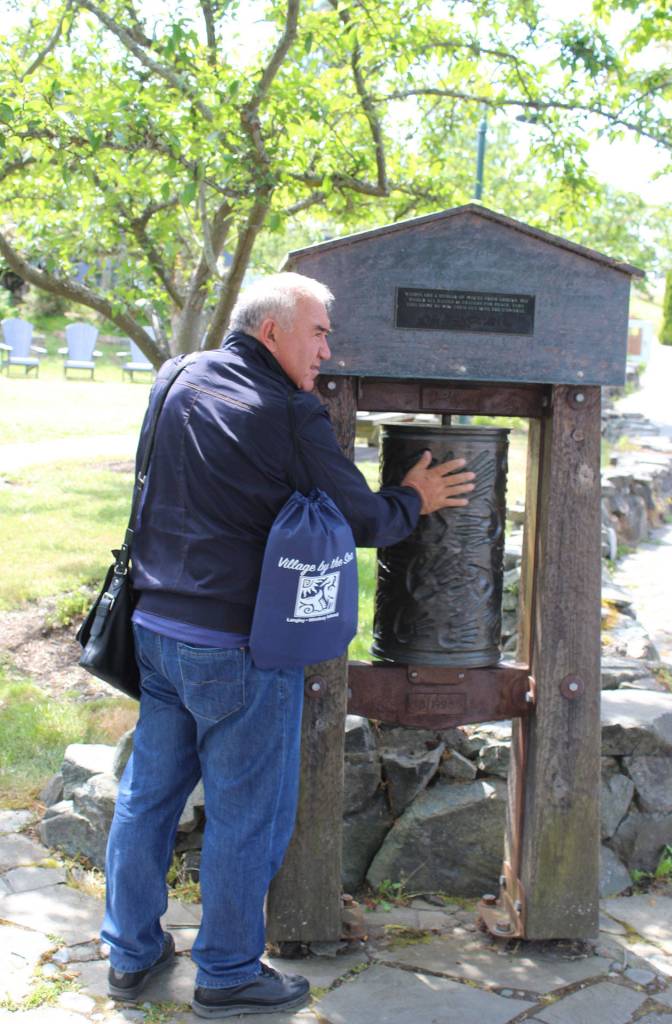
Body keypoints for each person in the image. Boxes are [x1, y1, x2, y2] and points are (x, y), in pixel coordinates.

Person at [101, 272, 475, 1019]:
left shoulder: (177, 377)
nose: (327, 351)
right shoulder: (288, 413)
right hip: (239, 647)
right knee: (248, 813)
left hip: (155, 632)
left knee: (146, 801)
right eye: (318, 333)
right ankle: (229, 973)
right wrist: (414, 498)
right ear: (272, 330)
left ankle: (131, 955)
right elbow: (361, 517)